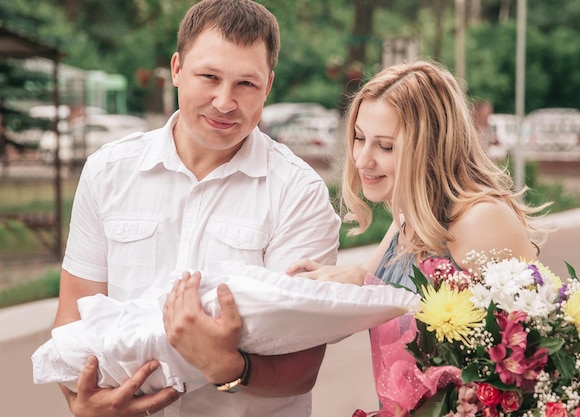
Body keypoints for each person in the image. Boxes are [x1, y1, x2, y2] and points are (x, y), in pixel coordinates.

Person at [52, 1, 341, 417]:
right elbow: (73, 322)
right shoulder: (107, 171)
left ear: (269, 86)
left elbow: (301, 368)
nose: (225, 102)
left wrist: (228, 366)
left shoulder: (298, 192)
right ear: (176, 69)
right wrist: (85, 401)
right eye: (209, 77)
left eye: (246, 84)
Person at [286, 60, 549, 415]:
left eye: (386, 146)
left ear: (432, 145)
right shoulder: (407, 220)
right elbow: (359, 303)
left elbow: (531, 361)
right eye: (360, 138)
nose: (363, 159)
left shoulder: (482, 220)